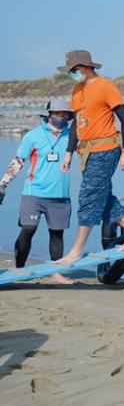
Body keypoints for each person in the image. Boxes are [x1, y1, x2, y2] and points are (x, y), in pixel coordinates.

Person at [56, 50, 124, 268]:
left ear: (86, 67)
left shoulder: (105, 86)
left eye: (74, 70)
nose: (72, 75)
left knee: (88, 196)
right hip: (86, 152)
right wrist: (68, 151)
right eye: (69, 72)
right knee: (102, 196)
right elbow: (76, 124)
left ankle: (77, 250)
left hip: (106, 149)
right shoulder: (77, 90)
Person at [0, 100, 74, 282]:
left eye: (65, 114)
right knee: (28, 229)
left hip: (61, 195)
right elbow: (18, 161)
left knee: (57, 234)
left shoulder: (72, 136)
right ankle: (19, 268)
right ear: (48, 114)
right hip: (34, 193)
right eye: (58, 113)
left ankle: (55, 273)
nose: (62, 117)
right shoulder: (33, 136)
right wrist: (3, 184)